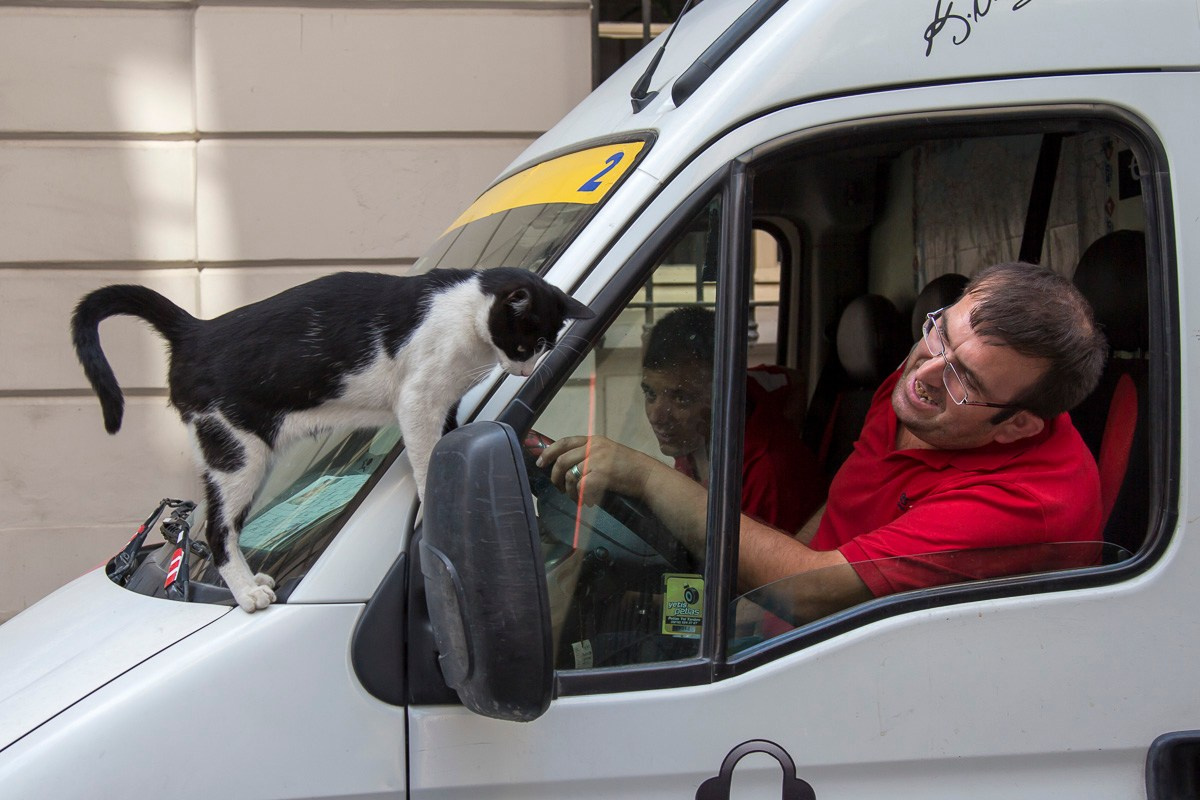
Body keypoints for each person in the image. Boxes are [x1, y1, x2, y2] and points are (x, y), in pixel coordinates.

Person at [538, 262, 1108, 623]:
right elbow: (836, 514)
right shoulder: (928, 389)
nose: (924, 373)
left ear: (1017, 425)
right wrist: (695, 610)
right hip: (806, 621)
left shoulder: (1029, 502)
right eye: (940, 333)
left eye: (964, 378)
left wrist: (642, 475)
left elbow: (811, 592)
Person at [639, 307, 825, 533]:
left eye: (680, 398)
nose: (656, 416)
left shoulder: (765, 475)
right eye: (650, 393)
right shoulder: (700, 431)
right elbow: (794, 379)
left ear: (722, 392)